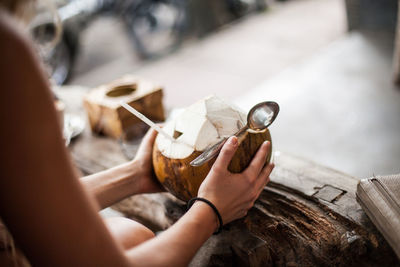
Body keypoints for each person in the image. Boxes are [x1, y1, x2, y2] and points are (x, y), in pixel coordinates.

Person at [0, 1, 274, 266]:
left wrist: (135, 176)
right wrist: (210, 212)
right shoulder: (7, 48)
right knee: (134, 237)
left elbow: (30, 209)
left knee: (132, 233)